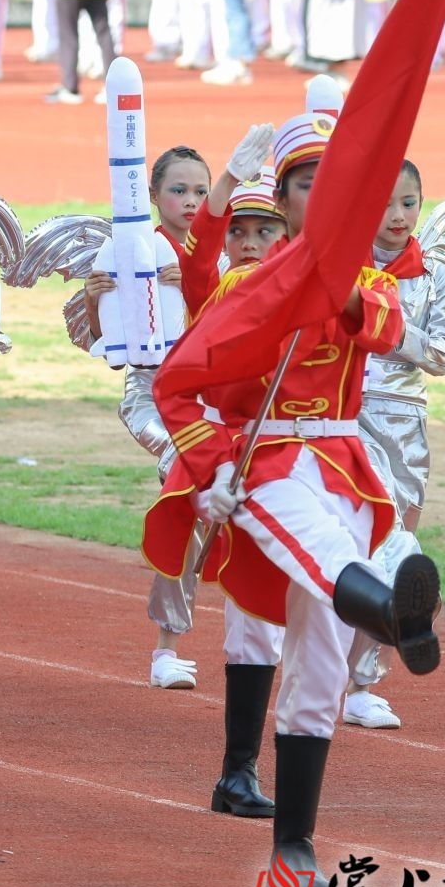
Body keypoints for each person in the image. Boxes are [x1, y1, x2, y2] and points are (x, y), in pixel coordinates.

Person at [144, 113, 443, 887]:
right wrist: (208, 469)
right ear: (285, 198)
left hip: (345, 462)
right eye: (309, 182)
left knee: (319, 665)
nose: (326, 194)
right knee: (320, 557)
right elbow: (178, 381)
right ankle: (394, 613)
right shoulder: (249, 282)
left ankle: (293, 855)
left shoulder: (369, 279)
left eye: (337, 182)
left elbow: (389, 327)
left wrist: (334, 283)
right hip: (270, 461)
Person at [102, 130, 273, 689]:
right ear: (153, 195)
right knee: (187, 502)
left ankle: (279, 637)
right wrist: (104, 294)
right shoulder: (150, 254)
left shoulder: (233, 273)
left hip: (232, 416)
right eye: (180, 190)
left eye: (203, 191)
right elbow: (103, 338)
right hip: (165, 405)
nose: (194, 202)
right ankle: (166, 647)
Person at [346, 160, 445, 732]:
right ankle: (351, 673)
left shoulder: (435, 274)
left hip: (407, 430)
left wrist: (389, 328)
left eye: (410, 203)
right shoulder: (341, 265)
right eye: (385, 203)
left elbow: (444, 354)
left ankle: (365, 682)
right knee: (382, 547)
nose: (398, 216)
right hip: (345, 417)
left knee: (401, 549)